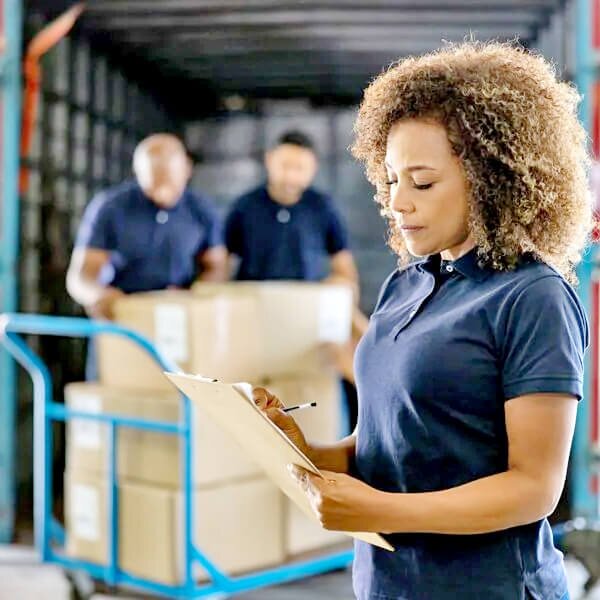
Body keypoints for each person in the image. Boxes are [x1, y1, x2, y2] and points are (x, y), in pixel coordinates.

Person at [254, 41, 591, 599]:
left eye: (423, 181)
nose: (397, 202)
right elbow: (388, 441)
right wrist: (308, 451)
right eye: (390, 179)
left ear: (490, 178)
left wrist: (382, 509)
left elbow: (534, 488)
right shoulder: (405, 285)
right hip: (389, 584)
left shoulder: (533, 296)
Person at [67, 133, 227, 377]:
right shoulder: (110, 207)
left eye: (171, 183)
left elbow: (217, 266)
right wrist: (96, 294)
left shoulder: (201, 210)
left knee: (172, 398)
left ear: (186, 169)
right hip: (121, 318)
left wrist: (197, 294)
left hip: (177, 320)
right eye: (154, 184)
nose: (163, 193)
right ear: (138, 173)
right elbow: (80, 276)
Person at [224, 130, 358, 288]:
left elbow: (344, 269)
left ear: (313, 168)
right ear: (269, 160)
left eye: (299, 168)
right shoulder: (245, 205)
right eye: (284, 166)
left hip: (305, 301)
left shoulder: (323, 207)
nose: (290, 176)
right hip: (254, 300)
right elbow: (223, 262)